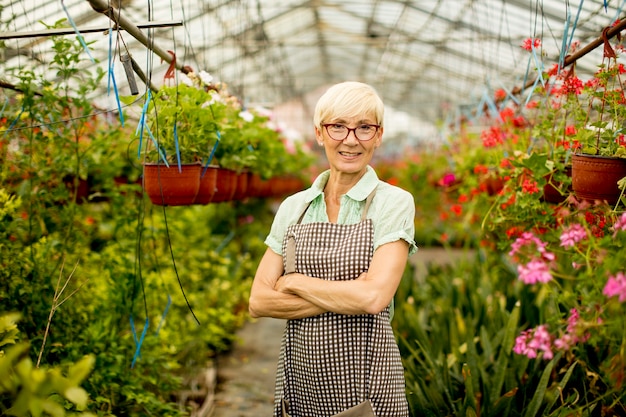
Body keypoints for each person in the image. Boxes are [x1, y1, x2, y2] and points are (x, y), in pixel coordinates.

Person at [248, 81, 417, 417]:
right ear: (319, 133)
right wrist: (349, 293)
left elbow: (373, 299)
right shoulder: (294, 207)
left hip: (368, 385)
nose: (350, 139)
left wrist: (294, 282)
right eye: (338, 126)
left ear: (379, 135)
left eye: (364, 128)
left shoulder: (392, 202)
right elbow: (258, 301)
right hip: (299, 382)